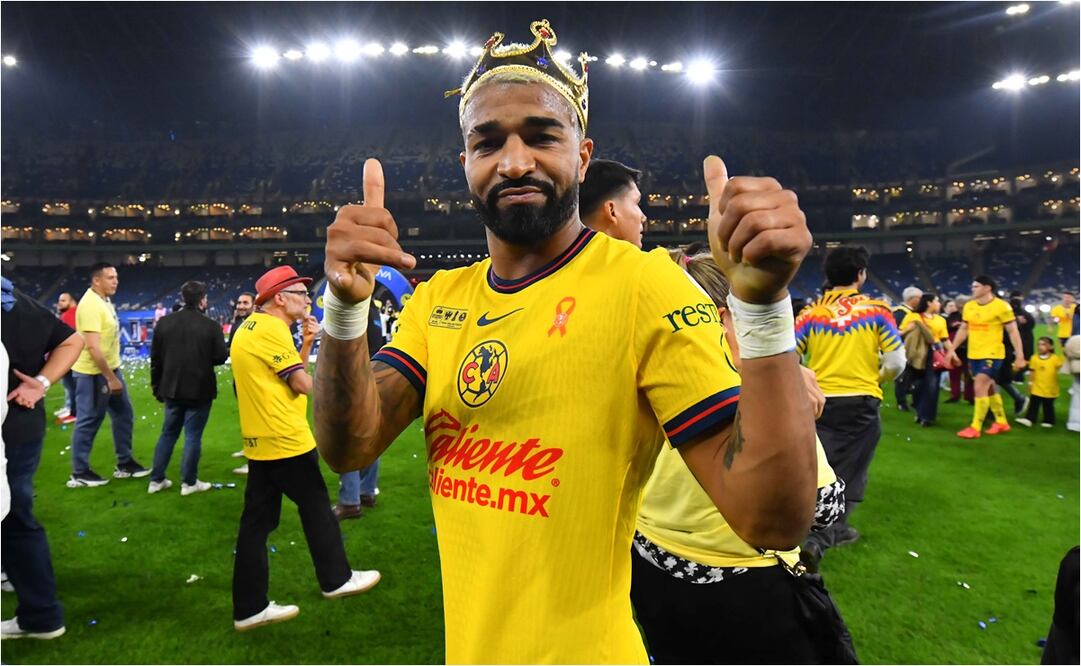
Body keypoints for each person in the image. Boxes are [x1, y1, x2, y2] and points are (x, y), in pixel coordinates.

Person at [313, 19, 817, 665]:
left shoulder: (644, 286)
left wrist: (763, 307)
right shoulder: (441, 299)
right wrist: (344, 311)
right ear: (465, 164)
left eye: (542, 136)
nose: (514, 160)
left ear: (581, 156)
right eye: (487, 142)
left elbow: (769, 522)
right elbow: (349, 445)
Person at [631, 248, 850, 664]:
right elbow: (823, 507)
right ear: (719, 315)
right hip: (741, 586)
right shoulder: (760, 389)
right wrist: (792, 410)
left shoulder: (639, 369)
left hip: (650, 567)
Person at [230, 266, 379, 631]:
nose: (307, 298)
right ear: (279, 298)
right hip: (284, 439)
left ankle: (249, 607)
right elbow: (301, 383)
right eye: (300, 292)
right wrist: (346, 397)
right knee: (317, 511)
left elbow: (284, 378)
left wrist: (310, 343)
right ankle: (336, 579)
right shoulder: (269, 328)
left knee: (257, 525)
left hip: (263, 438)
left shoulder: (252, 327)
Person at [795, 246, 906, 565]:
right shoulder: (877, 310)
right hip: (861, 400)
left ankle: (803, 523)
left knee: (821, 465)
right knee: (851, 471)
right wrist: (878, 376)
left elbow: (789, 355)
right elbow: (897, 361)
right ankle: (824, 536)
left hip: (820, 401)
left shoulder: (810, 312)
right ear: (860, 275)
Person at [1, 277, 84, 640]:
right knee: (14, 512)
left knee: (15, 515)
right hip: (23, 422)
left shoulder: (14, 303)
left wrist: (41, 382)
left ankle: (41, 614)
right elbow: (72, 339)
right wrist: (43, 383)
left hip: (12, 426)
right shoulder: (16, 300)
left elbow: (74, 339)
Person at [68, 263, 148, 487]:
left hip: (110, 369)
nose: (116, 281)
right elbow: (93, 347)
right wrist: (110, 378)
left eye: (116, 277)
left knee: (124, 414)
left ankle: (125, 463)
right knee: (89, 420)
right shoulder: (91, 305)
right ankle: (79, 473)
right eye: (110, 277)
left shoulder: (103, 299)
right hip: (93, 373)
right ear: (96, 280)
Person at [148, 281, 229, 495]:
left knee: (168, 433)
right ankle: (189, 483)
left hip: (171, 389)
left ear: (183, 298)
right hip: (199, 389)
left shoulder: (164, 323)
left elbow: (155, 359)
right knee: (193, 436)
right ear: (203, 299)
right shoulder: (211, 326)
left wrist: (157, 387)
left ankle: (156, 480)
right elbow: (221, 356)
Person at [948, 275, 1027, 439]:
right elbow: (964, 329)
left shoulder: (1001, 307)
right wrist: (952, 350)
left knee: (979, 386)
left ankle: (975, 427)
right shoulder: (969, 306)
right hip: (974, 353)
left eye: (976, 286)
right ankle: (1001, 421)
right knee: (988, 387)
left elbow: (1013, 331)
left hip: (992, 353)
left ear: (987, 288)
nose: (972, 289)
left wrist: (1020, 355)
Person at [899, 293, 957, 427]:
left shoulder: (940, 320)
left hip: (934, 353)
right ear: (929, 303)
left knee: (932, 385)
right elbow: (898, 333)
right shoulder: (912, 316)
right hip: (917, 353)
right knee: (918, 385)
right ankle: (920, 410)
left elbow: (945, 339)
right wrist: (907, 330)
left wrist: (952, 353)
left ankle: (927, 417)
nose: (939, 304)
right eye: (937, 301)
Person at [579, 158, 648, 247]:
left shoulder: (562, 258)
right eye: (636, 203)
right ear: (612, 211)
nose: (643, 217)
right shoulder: (654, 260)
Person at [1016, 337, 1064, 428]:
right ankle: (1029, 419)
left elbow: (1061, 367)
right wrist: (1030, 383)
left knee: (1048, 405)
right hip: (1037, 386)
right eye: (1038, 344)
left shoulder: (1055, 359)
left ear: (1050, 347)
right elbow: (1032, 371)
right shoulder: (1034, 358)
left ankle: (1049, 420)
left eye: (1043, 344)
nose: (1040, 347)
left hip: (1050, 388)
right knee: (1034, 403)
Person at [892, 286, 923, 411]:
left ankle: (909, 398)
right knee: (902, 377)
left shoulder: (911, 313)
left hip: (912, 349)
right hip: (901, 349)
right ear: (913, 299)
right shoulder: (900, 313)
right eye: (920, 298)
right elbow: (893, 332)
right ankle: (901, 402)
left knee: (911, 376)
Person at [54, 293, 78, 424]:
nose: (60, 303)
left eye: (63, 300)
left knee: (71, 385)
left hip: (69, 356)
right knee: (70, 385)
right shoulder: (73, 314)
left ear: (72, 302)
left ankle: (74, 412)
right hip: (73, 356)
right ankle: (70, 408)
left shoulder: (69, 316)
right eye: (59, 300)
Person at [945, 297, 974, 404]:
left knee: (970, 374)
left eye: (962, 303)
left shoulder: (973, 314)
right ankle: (954, 395)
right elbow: (947, 327)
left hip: (970, 348)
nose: (960, 305)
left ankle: (970, 396)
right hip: (956, 349)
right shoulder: (953, 315)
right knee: (954, 373)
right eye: (959, 303)